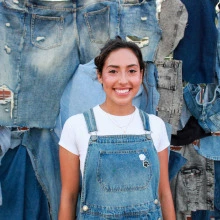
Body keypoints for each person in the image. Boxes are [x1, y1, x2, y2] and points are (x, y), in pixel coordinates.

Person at [58, 36, 176, 220]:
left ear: (141, 74)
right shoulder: (76, 126)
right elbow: (69, 197)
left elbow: (163, 192)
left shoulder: (155, 126)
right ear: (100, 76)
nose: (123, 80)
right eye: (113, 71)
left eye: (131, 71)